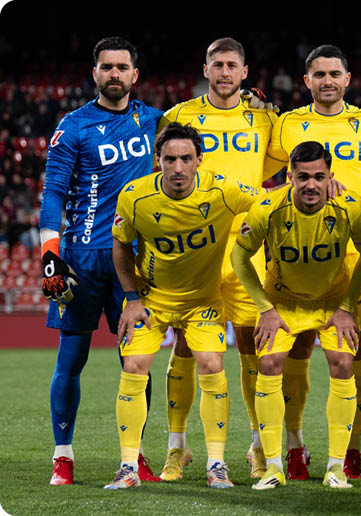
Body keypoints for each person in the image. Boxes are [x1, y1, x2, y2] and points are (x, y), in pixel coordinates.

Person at [105, 122, 260, 489]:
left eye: (185, 159)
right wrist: (130, 298)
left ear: (198, 161)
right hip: (153, 301)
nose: (177, 167)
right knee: (135, 365)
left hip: (202, 302)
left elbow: (270, 199)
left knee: (211, 363)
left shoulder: (222, 190)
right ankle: (128, 467)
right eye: (170, 159)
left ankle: (216, 463)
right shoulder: (135, 197)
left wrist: (315, 187)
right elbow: (121, 246)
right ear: (157, 161)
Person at [39, 36, 162, 486]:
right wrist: (50, 259)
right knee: (71, 358)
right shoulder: (73, 127)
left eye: (122, 67)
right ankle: (63, 456)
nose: (114, 74)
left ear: (135, 75)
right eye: (106, 67)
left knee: (138, 360)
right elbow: (52, 193)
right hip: (81, 260)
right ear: (95, 73)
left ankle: (136, 456)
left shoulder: (154, 120)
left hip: (136, 260)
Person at [265, 44, 361, 480]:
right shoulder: (289, 124)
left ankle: (351, 448)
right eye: (319, 74)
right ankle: (293, 445)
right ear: (307, 81)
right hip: (302, 250)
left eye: (334, 74)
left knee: (356, 352)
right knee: (295, 345)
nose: (327, 81)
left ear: (348, 78)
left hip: (357, 256)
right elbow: (268, 174)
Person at [157, 37, 278, 481]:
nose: (225, 72)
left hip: (247, 248)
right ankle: (177, 447)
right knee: (188, 344)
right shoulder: (179, 117)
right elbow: (162, 172)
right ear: (205, 68)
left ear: (245, 73)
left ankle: (258, 445)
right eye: (217, 64)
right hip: (194, 249)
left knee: (252, 345)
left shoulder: (265, 119)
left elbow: (279, 167)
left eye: (232, 65)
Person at [231, 141, 361, 490]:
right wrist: (264, 308)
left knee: (343, 362)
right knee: (268, 364)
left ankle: (337, 468)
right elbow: (240, 257)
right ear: (289, 177)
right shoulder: (267, 208)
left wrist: (346, 307)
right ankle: (274, 467)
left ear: (330, 178)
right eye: (302, 177)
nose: (311, 184)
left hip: (332, 300)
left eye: (319, 177)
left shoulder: (351, 205)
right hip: (283, 301)